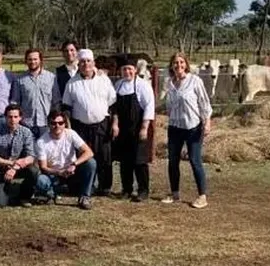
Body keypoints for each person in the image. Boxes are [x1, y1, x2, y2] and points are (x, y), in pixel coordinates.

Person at [61, 49, 118, 197]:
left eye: (88, 61)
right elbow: (67, 107)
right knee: (84, 158)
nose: (86, 64)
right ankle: (87, 186)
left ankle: (105, 187)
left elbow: (113, 104)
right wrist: (68, 127)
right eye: (82, 62)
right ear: (78, 64)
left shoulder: (104, 80)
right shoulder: (72, 83)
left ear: (93, 63)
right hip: (80, 126)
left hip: (102, 124)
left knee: (105, 157)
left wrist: (114, 123)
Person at [163, 52, 212, 209]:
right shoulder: (169, 83)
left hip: (193, 126)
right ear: (172, 65)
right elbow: (168, 105)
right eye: (175, 63)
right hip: (175, 127)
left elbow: (204, 103)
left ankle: (202, 196)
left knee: (194, 160)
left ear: (186, 64)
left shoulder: (195, 81)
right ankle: (175, 193)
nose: (179, 65)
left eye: (181, 62)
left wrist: (207, 122)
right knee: (172, 160)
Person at [112, 57, 155, 202]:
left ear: (135, 70)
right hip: (123, 129)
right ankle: (126, 189)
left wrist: (144, 127)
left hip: (138, 128)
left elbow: (149, 106)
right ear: (120, 71)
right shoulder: (118, 85)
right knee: (125, 161)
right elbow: (115, 108)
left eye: (130, 69)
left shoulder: (142, 86)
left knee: (139, 161)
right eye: (124, 69)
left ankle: (143, 190)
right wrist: (115, 124)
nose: (127, 72)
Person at [34, 109, 97, 210]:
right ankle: (50, 194)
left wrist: (74, 164)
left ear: (65, 124)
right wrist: (59, 172)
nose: (57, 126)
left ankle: (84, 197)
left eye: (60, 123)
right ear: (48, 124)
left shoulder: (71, 134)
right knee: (40, 180)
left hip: (72, 171)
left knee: (91, 163)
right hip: (54, 174)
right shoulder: (41, 142)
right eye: (53, 123)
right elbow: (43, 167)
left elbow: (89, 152)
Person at [0, 104, 38, 207]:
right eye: (10, 117)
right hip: (1, 170)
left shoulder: (26, 132)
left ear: (20, 118)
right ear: (5, 117)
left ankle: (24, 197)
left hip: (18, 169)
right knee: (0, 203)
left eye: (15, 117)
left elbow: (31, 156)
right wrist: (10, 163)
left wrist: (15, 168)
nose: (12, 120)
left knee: (33, 171)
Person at [11, 48, 60, 139]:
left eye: (35, 59)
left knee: (44, 152)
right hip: (26, 124)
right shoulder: (19, 79)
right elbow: (15, 102)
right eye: (30, 59)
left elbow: (56, 101)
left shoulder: (51, 78)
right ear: (26, 61)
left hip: (46, 124)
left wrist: (55, 120)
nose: (32, 62)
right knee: (28, 151)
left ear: (40, 60)